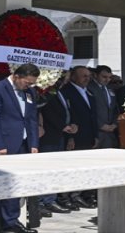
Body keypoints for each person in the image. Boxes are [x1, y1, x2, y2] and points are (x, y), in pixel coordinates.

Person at [0, 63, 41, 233]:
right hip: (6, 143)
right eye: (27, 82)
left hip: (24, 143)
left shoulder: (29, 92)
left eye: (32, 83)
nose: (29, 86)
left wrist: (33, 144)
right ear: (16, 76)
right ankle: (4, 223)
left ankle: (12, 221)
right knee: (5, 183)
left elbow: (31, 119)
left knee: (17, 183)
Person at [37, 72, 76, 215]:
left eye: (64, 77)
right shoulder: (45, 93)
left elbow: (67, 111)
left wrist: (71, 125)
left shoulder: (61, 92)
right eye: (59, 78)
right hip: (48, 136)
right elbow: (47, 112)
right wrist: (61, 126)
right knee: (46, 170)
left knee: (55, 170)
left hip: (60, 136)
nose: (62, 80)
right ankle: (41, 201)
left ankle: (50, 199)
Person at [59, 66, 97, 208]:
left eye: (88, 76)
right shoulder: (66, 92)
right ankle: (67, 196)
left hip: (88, 136)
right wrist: (70, 137)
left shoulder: (89, 92)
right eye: (83, 76)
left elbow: (92, 116)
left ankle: (79, 195)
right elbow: (69, 115)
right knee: (72, 167)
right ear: (74, 77)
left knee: (85, 167)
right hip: (74, 137)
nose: (87, 78)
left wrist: (95, 136)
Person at [90, 65, 118, 148]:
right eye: (104, 77)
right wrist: (100, 125)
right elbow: (89, 110)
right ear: (95, 75)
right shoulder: (89, 88)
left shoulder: (110, 89)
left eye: (109, 77)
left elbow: (114, 109)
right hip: (96, 132)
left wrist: (115, 124)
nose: (107, 80)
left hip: (110, 132)